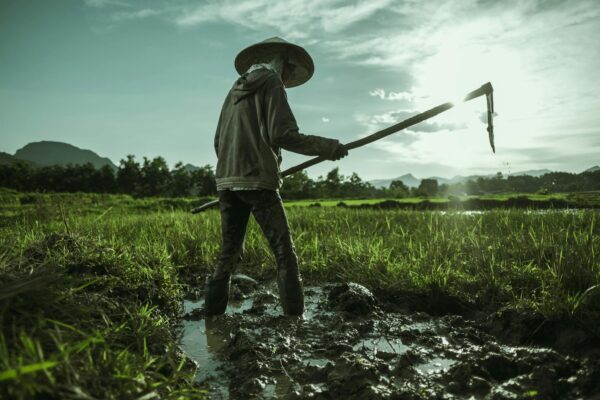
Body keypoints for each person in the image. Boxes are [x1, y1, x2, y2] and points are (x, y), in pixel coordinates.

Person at [205, 37, 348, 316]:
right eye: (289, 71)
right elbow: (282, 134)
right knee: (284, 252)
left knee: (228, 254)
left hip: (226, 180)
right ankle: (295, 323)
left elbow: (218, 141)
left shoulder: (233, 90)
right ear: (283, 63)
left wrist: (237, 166)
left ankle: (212, 321)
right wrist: (328, 147)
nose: (287, 77)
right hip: (257, 180)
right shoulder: (272, 83)